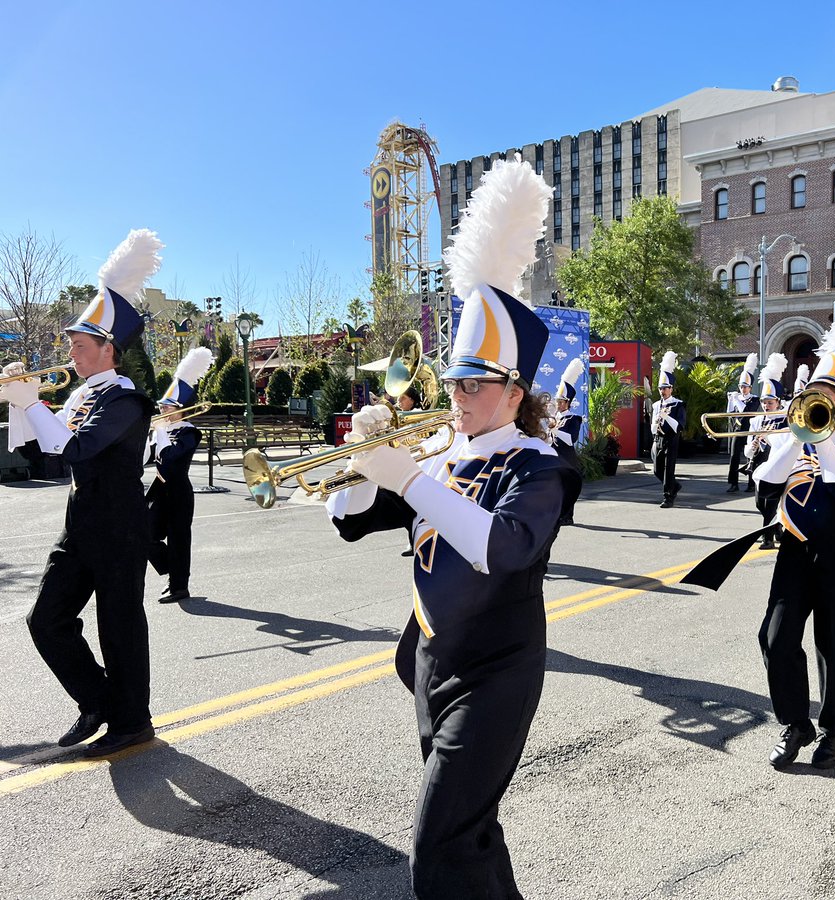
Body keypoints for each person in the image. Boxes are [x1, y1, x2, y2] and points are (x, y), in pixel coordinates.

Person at [326, 158, 578, 898]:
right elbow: (352, 523)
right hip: (431, 664)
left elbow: (501, 547)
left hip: (498, 673)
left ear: (516, 390)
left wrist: (407, 475)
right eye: (457, 380)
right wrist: (357, 459)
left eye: (476, 384)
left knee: (437, 852)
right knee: (472, 834)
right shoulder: (441, 454)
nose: (460, 396)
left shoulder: (542, 465)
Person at [682, 307, 835, 772]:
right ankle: (795, 723)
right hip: (793, 550)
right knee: (775, 636)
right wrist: (793, 440)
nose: (820, 400)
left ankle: (834, 730)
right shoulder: (785, 437)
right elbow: (764, 485)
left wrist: (823, 436)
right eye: (815, 393)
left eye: (831, 395)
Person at [0, 229, 162, 757]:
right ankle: (97, 702)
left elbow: (76, 450)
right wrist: (19, 405)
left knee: (119, 629)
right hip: (80, 525)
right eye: (69, 344)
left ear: (107, 350)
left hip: (119, 525)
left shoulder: (127, 400)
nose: (70, 353)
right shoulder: (77, 397)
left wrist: (34, 404)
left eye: (79, 345)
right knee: (45, 620)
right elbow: (40, 455)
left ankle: (133, 720)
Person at [145, 348, 213, 603]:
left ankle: (179, 586)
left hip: (178, 491)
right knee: (146, 535)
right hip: (159, 489)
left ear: (181, 409)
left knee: (178, 539)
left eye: (168, 407)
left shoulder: (189, 432)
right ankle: (173, 572)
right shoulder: (163, 430)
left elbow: (172, 458)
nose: (163, 410)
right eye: (162, 406)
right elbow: (147, 459)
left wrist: (160, 432)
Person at [744, 354, 788, 549]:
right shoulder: (756, 420)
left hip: (776, 465)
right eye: (764, 402)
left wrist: (767, 437)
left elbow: (785, 443)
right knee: (760, 504)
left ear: (778, 402)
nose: (766, 405)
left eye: (770, 402)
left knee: (770, 503)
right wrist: (752, 446)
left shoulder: (785, 419)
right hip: (758, 464)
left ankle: (767, 538)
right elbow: (746, 451)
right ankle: (777, 528)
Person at [550, 357, 585, 525]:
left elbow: (571, 440)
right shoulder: (555, 417)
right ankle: (557, 514)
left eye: (561, 401)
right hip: (554, 455)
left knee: (567, 487)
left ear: (568, 402)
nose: (558, 404)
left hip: (567, 456)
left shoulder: (574, 418)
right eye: (557, 401)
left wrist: (555, 429)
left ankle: (568, 516)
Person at [651, 351, 686, 508]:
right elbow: (652, 425)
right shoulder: (656, 405)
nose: (662, 391)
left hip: (672, 439)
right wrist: (655, 424)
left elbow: (678, 426)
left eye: (665, 388)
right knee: (657, 470)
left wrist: (665, 417)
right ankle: (675, 486)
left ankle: (668, 497)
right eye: (660, 388)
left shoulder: (678, 404)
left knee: (668, 469)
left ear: (671, 388)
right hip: (658, 438)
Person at [725, 353, 760, 493]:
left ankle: (751, 483)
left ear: (750, 387)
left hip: (749, 431)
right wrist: (731, 400)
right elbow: (730, 413)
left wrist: (736, 400)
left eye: (745, 386)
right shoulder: (736, 398)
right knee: (734, 456)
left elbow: (746, 411)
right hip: (737, 430)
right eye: (741, 386)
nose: (742, 389)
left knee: (750, 456)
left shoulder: (754, 399)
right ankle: (733, 483)